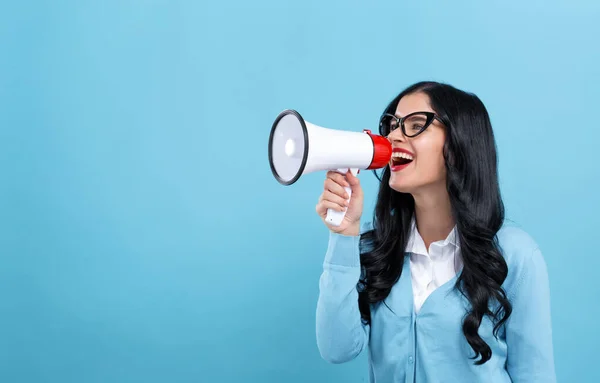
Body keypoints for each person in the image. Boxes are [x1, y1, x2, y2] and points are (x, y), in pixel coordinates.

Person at [314, 81, 556, 382]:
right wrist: (343, 234)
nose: (392, 136)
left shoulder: (515, 254)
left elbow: (535, 375)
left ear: (459, 144)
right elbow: (336, 348)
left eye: (415, 125)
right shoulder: (375, 248)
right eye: (392, 125)